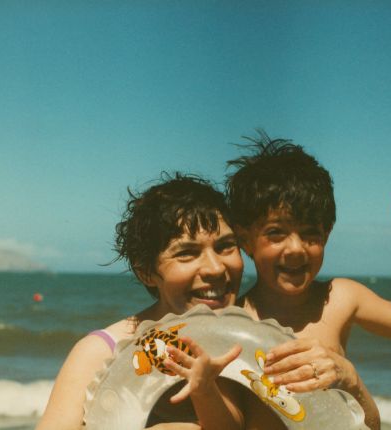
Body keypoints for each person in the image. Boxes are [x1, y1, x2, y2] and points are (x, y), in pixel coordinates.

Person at [226, 130, 391, 430]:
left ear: (326, 234)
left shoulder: (341, 297)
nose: (296, 248)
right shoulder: (232, 322)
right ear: (245, 239)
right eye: (276, 232)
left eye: (310, 233)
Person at [37, 174, 247, 430]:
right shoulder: (101, 352)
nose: (215, 268)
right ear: (146, 272)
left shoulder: (255, 340)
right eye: (187, 253)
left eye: (226, 246)